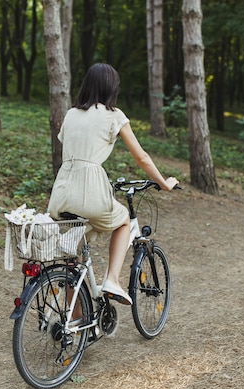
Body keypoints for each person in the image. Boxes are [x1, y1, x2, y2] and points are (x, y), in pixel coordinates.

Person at [47, 63, 179, 305]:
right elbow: (141, 157)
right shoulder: (114, 115)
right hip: (90, 190)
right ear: (111, 88)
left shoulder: (70, 114)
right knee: (123, 222)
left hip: (63, 191)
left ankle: (75, 323)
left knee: (74, 257)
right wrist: (164, 182)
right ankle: (112, 280)